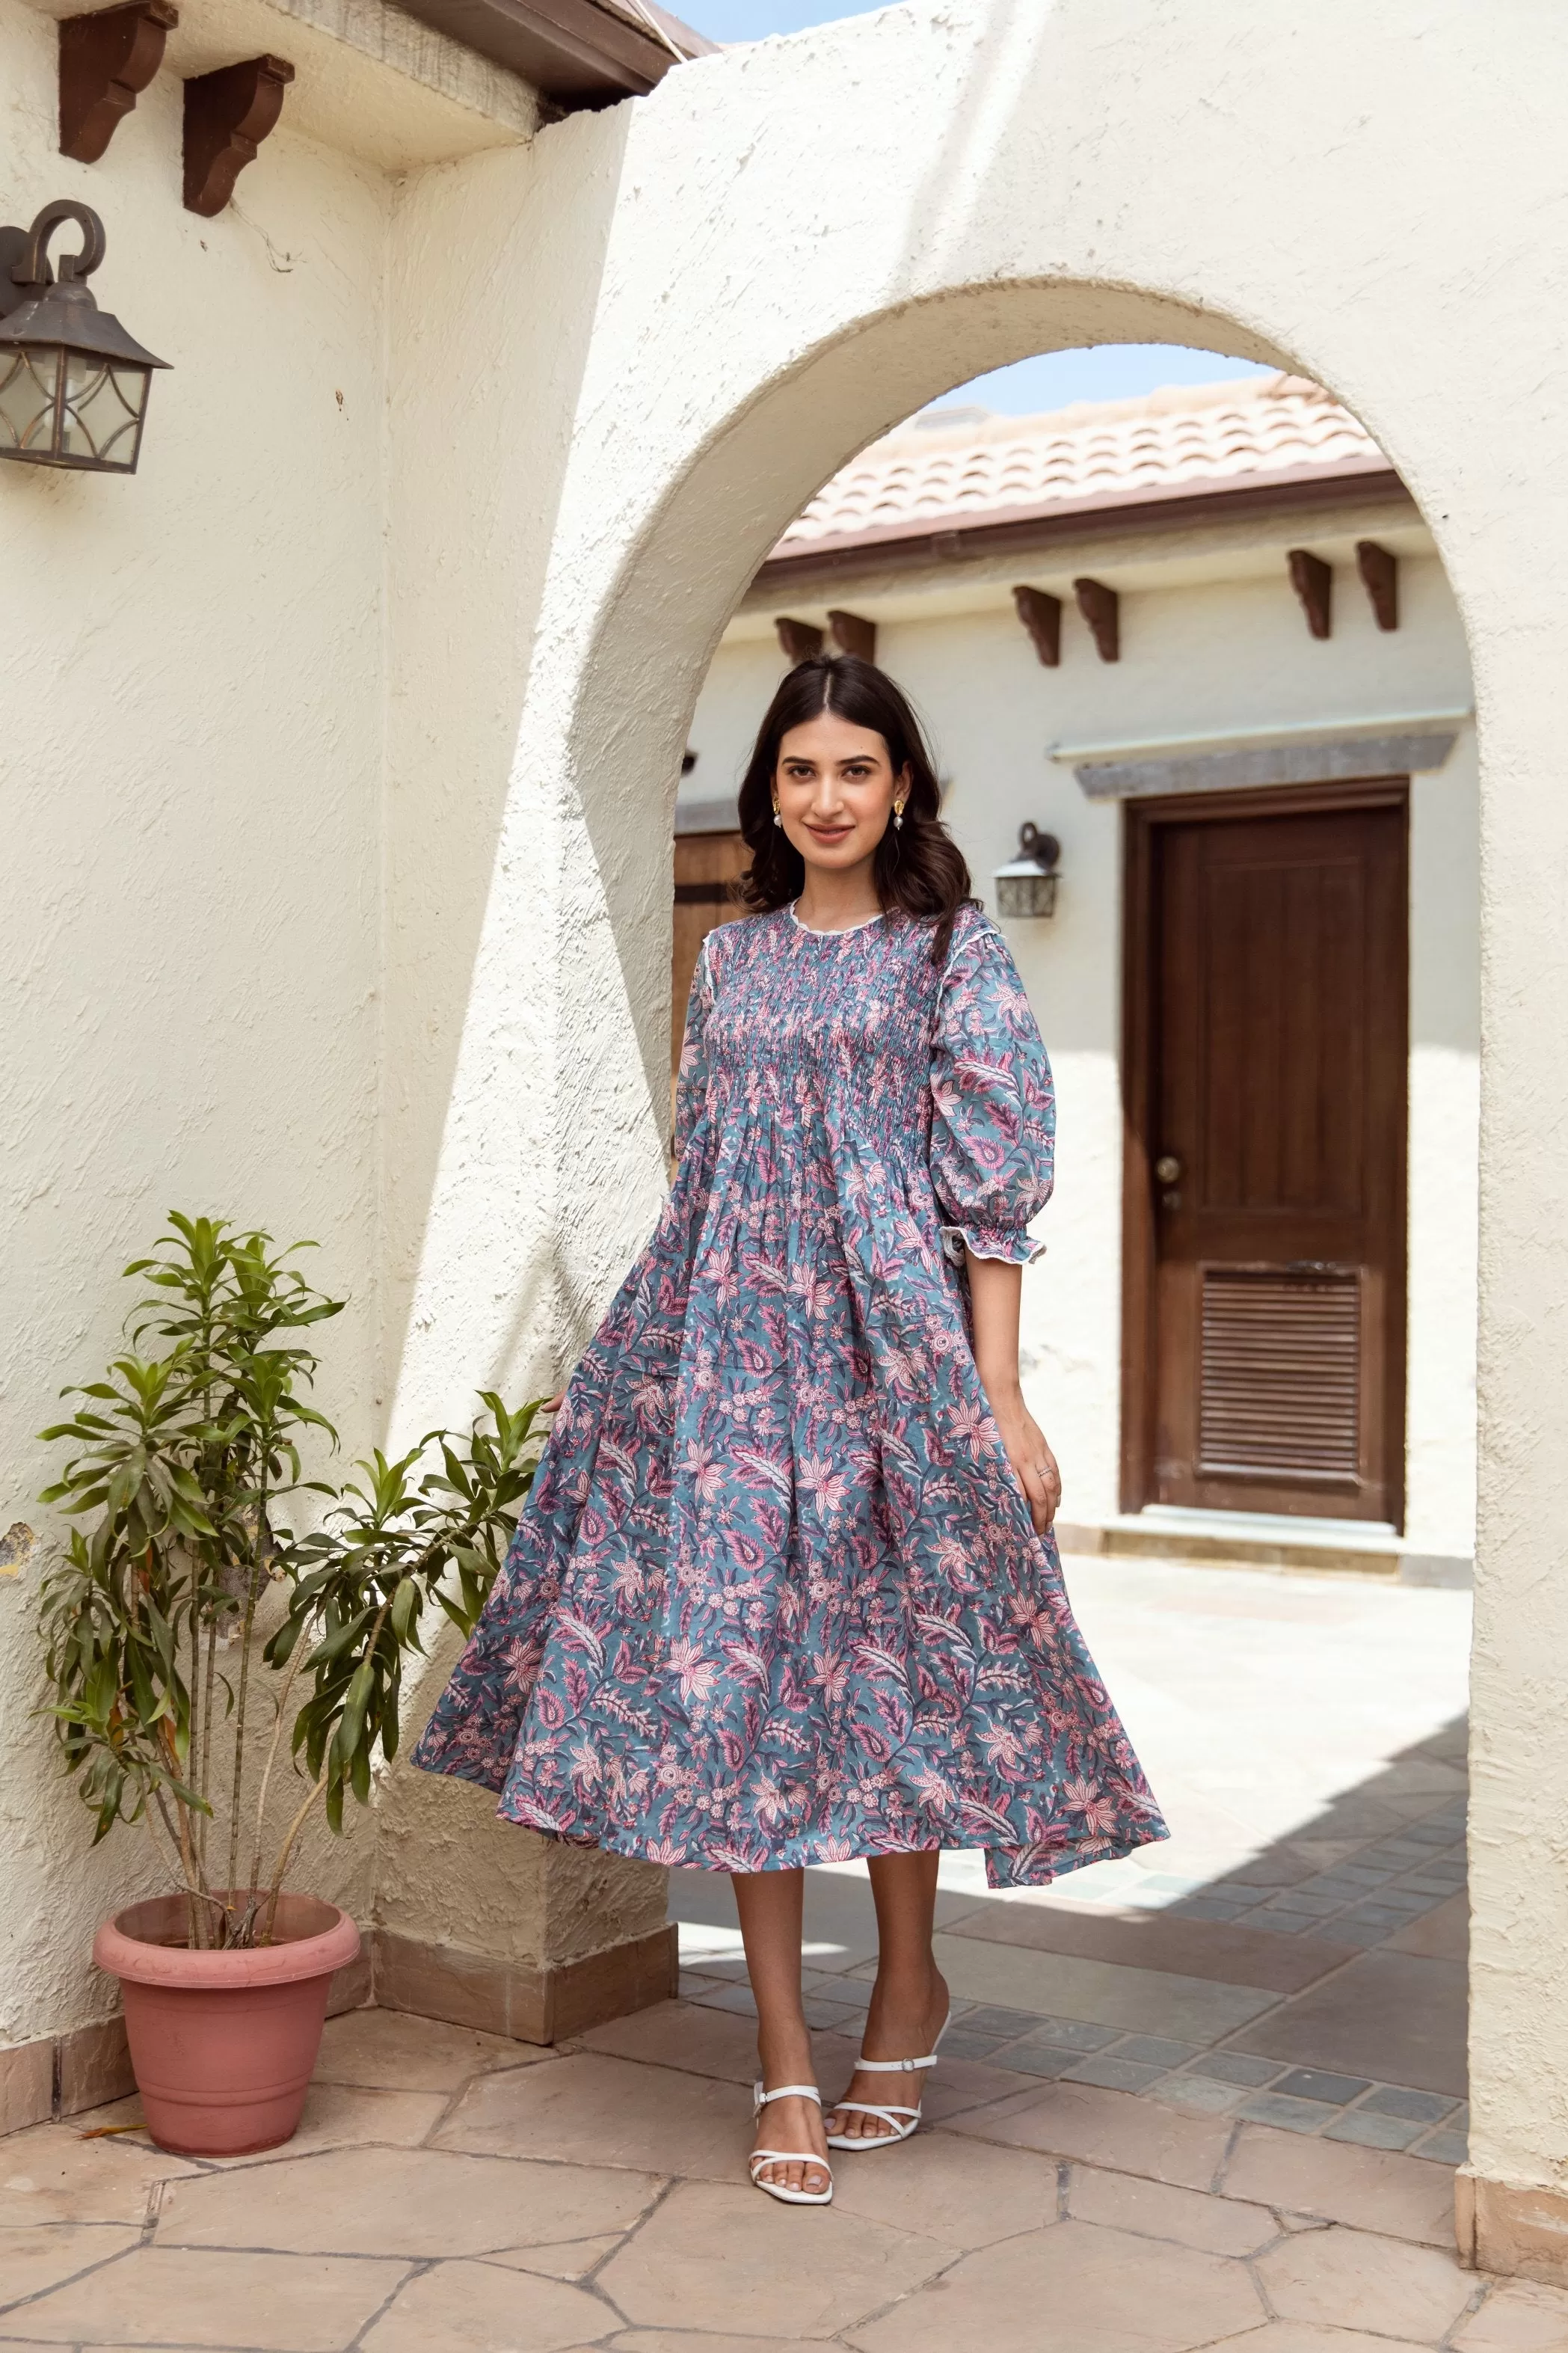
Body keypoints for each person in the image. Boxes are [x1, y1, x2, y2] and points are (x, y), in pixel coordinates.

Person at [413, 654, 1166, 2205]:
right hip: (727, 1365)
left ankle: (906, 1989)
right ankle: (779, 2056)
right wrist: (634, 1363)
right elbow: (707, 1177)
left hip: (889, 1362)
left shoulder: (950, 951)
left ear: (902, 790)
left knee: (882, 1680)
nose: (827, 797)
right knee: (733, 1692)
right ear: (770, 790)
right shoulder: (735, 960)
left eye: (857, 770)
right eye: (802, 770)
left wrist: (999, 1391)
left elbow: (989, 1194)